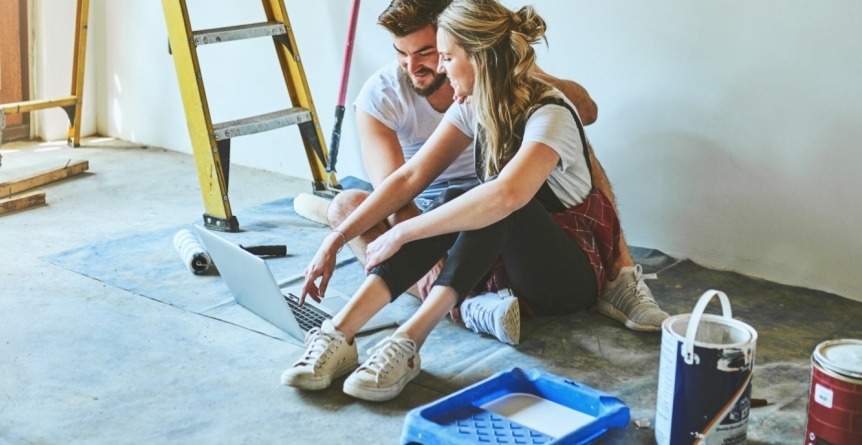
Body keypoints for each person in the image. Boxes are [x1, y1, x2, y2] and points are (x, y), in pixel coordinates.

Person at [281, 0, 666, 402]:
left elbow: (508, 195)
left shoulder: (548, 113)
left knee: (495, 201)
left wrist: (404, 233)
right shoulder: (473, 106)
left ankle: (408, 340)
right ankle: (339, 332)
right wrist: (337, 238)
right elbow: (410, 177)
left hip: (570, 280)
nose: (442, 69)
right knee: (456, 197)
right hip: (509, 265)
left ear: (480, 58)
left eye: (446, 56)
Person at [326, 0, 600, 307]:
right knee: (343, 206)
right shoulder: (381, 95)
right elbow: (402, 185)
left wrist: (515, 71)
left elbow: (585, 112)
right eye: (401, 53)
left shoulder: (492, 86)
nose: (412, 67)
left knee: (566, 142)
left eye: (427, 53)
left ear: (458, 44)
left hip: (499, 205)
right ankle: (461, 301)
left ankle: (621, 268)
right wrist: (342, 240)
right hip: (428, 210)